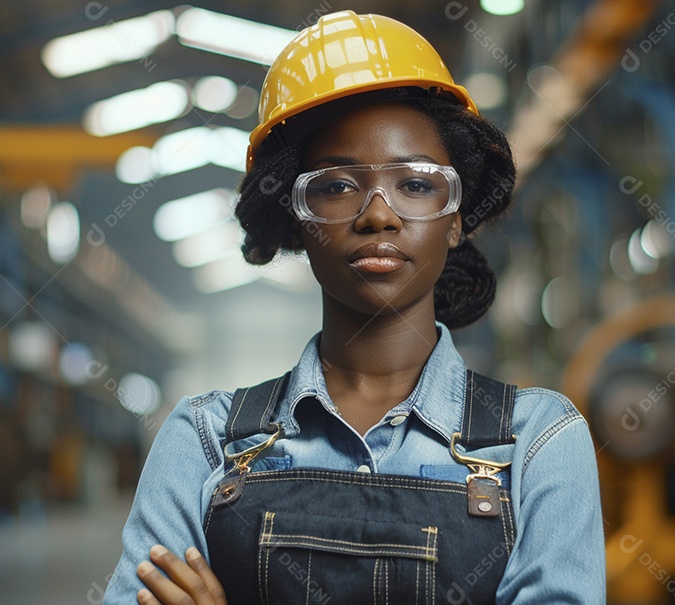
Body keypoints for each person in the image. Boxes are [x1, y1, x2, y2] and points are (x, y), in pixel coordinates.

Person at [102, 10, 604, 604]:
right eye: (337, 186)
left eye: (416, 184)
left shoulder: (537, 443)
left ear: (455, 219)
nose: (379, 215)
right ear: (297, 218)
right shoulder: (205, 440)